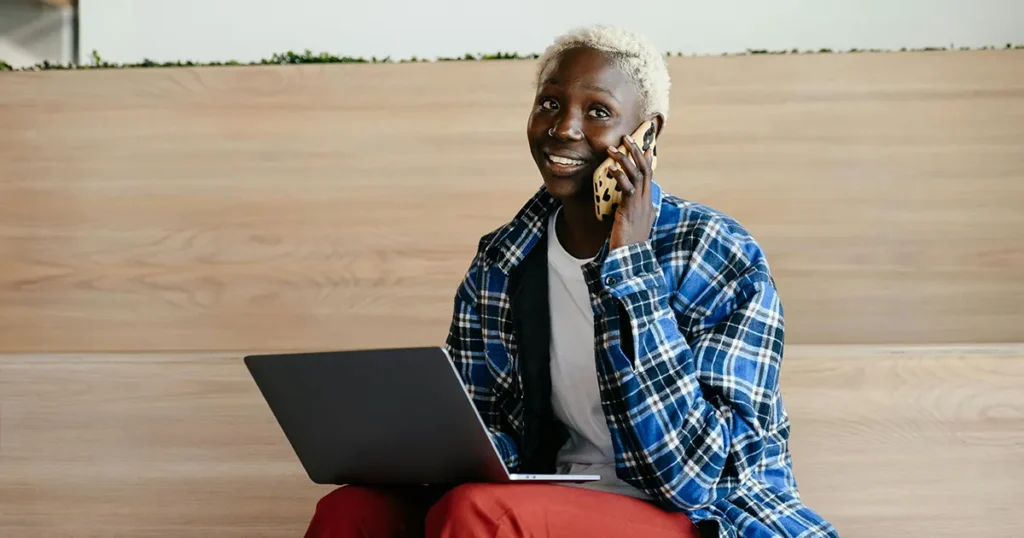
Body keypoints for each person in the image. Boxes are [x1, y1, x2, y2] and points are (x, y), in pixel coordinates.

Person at [305, 24, 838, 538]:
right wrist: (409, 445)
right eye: (550, 103)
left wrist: (629, 262)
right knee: (349, 512)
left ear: (646, 135)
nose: (563, 128)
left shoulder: (715, 253)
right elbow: (487, 435)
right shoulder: (503, 260)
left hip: (699, 516)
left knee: (480, 515)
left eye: (598, 112)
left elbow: (694, 478)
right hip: (547, 497)